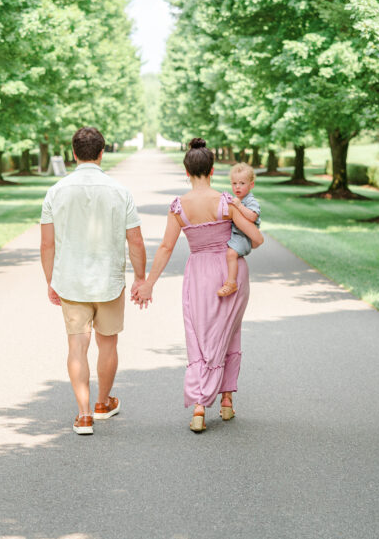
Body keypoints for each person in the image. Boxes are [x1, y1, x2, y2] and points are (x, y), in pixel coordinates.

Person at [134, 138, 263, 432]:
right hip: (230, 273)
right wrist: (235, 244)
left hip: (198, 274)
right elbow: (256, 238)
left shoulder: (179, 207)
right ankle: (226, 400)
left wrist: (149, 283)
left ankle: (199, 407)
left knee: (201, 334)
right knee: (229, 331)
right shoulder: (227, 202)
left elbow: (166, 248)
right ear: (213, 170)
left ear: (187, 172)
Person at [40, 126, 147, 435]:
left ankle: (83, 414)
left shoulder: (56, 191)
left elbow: (47, 244)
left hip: (71, 281)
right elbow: (136, 241)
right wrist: (140, 278)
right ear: (102, 153)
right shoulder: (119, 191)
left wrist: (51, 280)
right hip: (109, 280)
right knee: (108, 344)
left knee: (77, 347)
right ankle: (103, 403)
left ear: (74, 154)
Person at [217, 162, 261, 297]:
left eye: (242, 183)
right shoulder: (236, 199)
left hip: (244, 237)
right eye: (234, 183)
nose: (237, 187)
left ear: (251, 185)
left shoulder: (250, 201)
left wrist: (239, 206)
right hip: (236, 235)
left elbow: (253, 216)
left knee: (231, 254)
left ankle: (231, 283)